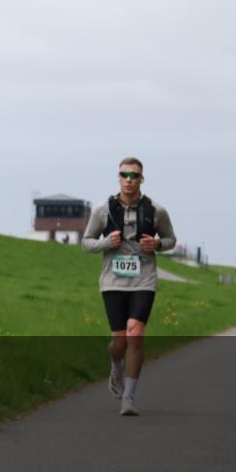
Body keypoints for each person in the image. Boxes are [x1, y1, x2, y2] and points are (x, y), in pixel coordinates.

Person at [83, 157, 176, 416]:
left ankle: (129, 398)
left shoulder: (157, 211)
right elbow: (86, 243)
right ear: (118, 178)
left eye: (134, 175)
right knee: (119, 341)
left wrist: (157, 245)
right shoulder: (103, 210)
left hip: (144, 279)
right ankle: (115, 364)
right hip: (113, 281)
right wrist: (106, 243)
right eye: (124, 174)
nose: (128, 179)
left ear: (141, 179)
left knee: (135, 334)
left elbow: (171, 239)